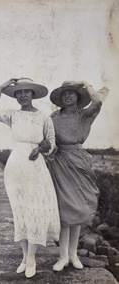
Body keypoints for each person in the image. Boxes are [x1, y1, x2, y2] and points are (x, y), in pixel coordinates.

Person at [0, 77, 60, 278]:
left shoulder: (44, 117)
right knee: (20, 211)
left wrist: (40, 147)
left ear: (33, 94)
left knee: (35, 209)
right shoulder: (12, 115)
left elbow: (52, 142)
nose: (22, 95)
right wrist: (1, 86)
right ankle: (23, 257)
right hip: (15, 165)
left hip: (35, 164)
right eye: (18, 92)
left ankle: (31, 259)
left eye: (26, 92)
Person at [47, 81, 109, 272]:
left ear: (78, 97)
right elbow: (46, 139)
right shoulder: (53, 117)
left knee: (79, 210)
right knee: (64, 211)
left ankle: (73, 255)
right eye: (64, 94)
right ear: (60, 98)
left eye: (71, 93)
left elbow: (98, 101)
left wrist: (86, 85)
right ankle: (63, 256)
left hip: (80, 162)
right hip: (59, 163)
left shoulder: (84, 115)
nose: (67, 96)